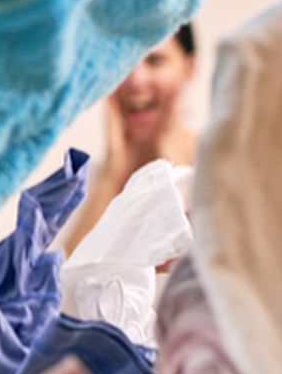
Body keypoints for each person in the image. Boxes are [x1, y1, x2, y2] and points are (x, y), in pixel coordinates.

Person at [61, 22, 198, 256]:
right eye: (123, 63)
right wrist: (111, 176)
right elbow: (63, 275)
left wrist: (175, 167)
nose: (135, 80)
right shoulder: (91, 181)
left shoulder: (225, 163)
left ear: (189, 68)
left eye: (155, 61)